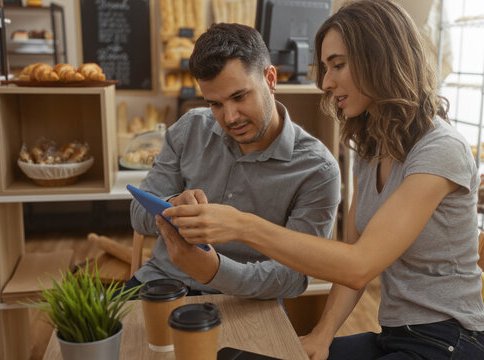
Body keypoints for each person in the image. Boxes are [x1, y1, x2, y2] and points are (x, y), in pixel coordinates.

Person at [158, 1, 484, 359]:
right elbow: (348, 259)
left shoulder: (441, 150)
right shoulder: (372, 149)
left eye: (337, 65)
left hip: (454, 344)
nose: (325, 82)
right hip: (398, 338)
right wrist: (322, 335)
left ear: (380, 58)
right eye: (325, 67)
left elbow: (360, 265)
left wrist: (242, 226)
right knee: (237, 355)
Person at [128, 22, 341, 300]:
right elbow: (137, 215)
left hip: (248, 299)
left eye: (239, 97)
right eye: (215, 104)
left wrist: (215, 271)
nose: (230, 117)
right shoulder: (189, 128)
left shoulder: (317, 170)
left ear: (271, 79)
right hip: (161, 280)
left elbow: (293, 276)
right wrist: (171, 206)